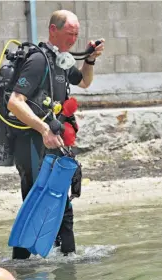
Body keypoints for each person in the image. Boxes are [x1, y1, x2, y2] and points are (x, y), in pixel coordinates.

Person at [7, 9, 105, 260]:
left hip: (51, 141)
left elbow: (84, 82)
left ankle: (64, 261)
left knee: (62, 202)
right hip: (32, 142)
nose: (73, 39)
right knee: (34, 201)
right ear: (53, 30)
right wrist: (43, 130)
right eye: (69, 34)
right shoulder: (39, 60)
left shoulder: (63, 60)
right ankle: (26, 264)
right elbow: (15, 102)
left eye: (76, 35)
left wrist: (90, 59)